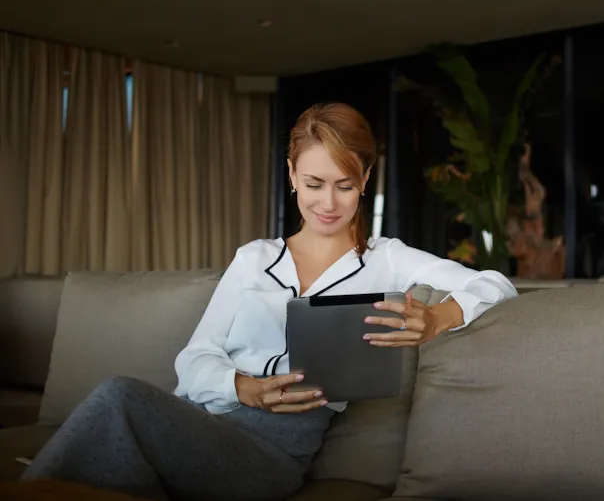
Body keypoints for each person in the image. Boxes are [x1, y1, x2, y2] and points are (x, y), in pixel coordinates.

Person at [21, 102, 518, 500]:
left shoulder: (388, 259)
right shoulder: (253, 259)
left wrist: (438, 317)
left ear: (366, 180)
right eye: (313, 183)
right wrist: (245, 387)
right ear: (291, 175)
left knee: (117, 397)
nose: (327, 203)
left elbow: (496, 284)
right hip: (206, 423)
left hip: (274, 455)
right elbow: (194, 359)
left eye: (345, 186)